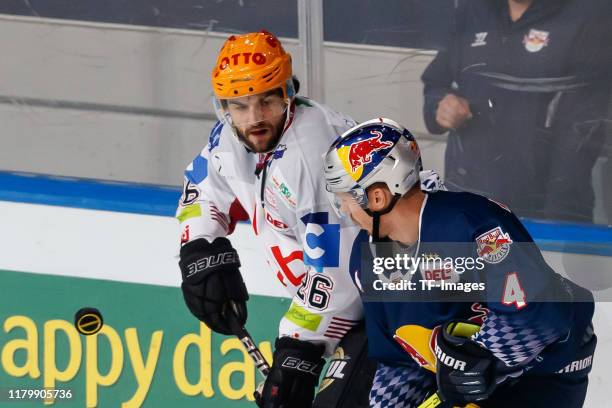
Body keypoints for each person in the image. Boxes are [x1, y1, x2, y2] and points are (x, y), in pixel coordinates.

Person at [323, 117, 597, 407]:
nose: (344, 210)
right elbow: (399, 361)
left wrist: (477, 360)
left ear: (377, 196)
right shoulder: (364, 258)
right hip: (470, 374)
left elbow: (537, 314)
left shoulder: (473, 224)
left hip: (548, 367)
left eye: (345, 199)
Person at [175, 30, 375, 407]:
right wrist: (200, 247)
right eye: (239, 105)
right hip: (349, 309)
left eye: (267, 101)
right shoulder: (232, 137)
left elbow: (340, 275)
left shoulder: (315, 155)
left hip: (398, 303)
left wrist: (297, 351)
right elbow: (202, 187)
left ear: (289, 93)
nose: (255, 119)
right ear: (224, 108)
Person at [421, 0, 612, 223]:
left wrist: (559, 223)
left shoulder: (589, 15)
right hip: (466, 207)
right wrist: (441, 107)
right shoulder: (474, 10)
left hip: (541, 217)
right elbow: (435, 83)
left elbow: (584, 131)